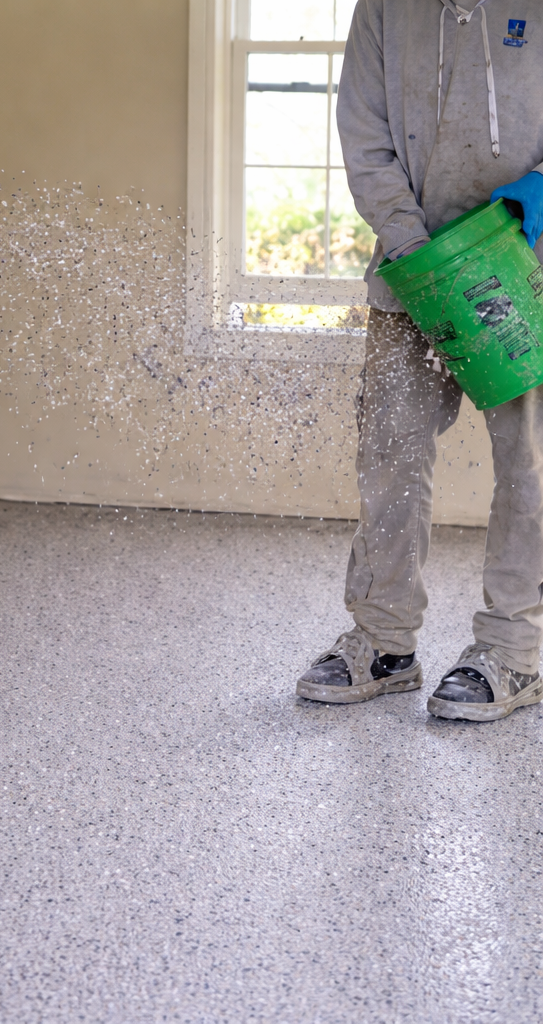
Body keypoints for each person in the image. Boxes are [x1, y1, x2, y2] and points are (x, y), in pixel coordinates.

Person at [295, 0, 543, 720]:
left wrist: (529, 208)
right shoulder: (385, 8)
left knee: (528, 463)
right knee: (390, 454)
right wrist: (419, 255)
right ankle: (383, 640)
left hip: (524, 270)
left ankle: (514, 650)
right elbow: (363, 131)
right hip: (412, 274)